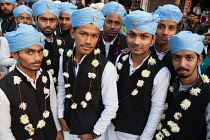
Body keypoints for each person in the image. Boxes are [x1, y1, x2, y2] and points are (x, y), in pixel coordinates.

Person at [105, 10, 170, 140]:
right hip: (111, 127)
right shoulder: (121, 59)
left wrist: (145, 137)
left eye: (143, 37)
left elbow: (157, 110)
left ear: (153, 39)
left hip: (135, 133)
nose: (136, 42)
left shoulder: (161, 71)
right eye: (132, 35)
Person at [57, 7, 118, 140]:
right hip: (67, 127)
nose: (88, 41)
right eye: (83, 34)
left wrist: (95, 134)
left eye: (94, 36)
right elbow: (62, 87)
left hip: (91, 132)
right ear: (73, 32)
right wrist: (60, 116)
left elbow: (111, 105)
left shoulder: (106, 67)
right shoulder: (65, 58)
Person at [0, 24, 63, 140]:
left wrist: (58, 130)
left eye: (40, 52)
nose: (37, 58)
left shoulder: (46, 75)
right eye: (29, 52)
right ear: (15, 55)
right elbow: (4, 132)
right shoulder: (4, 88)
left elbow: (52, 105)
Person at [154, 31, 210, 140]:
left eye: (189, 58)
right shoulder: (168, 86)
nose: (182, 64)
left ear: (199, 60)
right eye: (177, 58)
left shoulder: (207, 92)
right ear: (172, 59)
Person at [32, 0, 66, 87]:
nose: (48, 24)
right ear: (36, 20)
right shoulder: (31, 43)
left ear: (57, 21)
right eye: (43, 20)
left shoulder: (61, 41)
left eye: (52, 20)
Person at [150, 4, 182, 83]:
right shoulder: (144, 52)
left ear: (176, 30)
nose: (165, 33)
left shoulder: (180, 56)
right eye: (160, 27)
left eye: (171, 28)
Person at [0, 5, 33, 72]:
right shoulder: (8, 38)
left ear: (32, 20)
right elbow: (2, 60)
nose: (25, 21)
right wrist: (19, 60)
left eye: (28, 18)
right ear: (16, 20)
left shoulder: (38, 36)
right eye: (21, 18)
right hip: (15, 74)